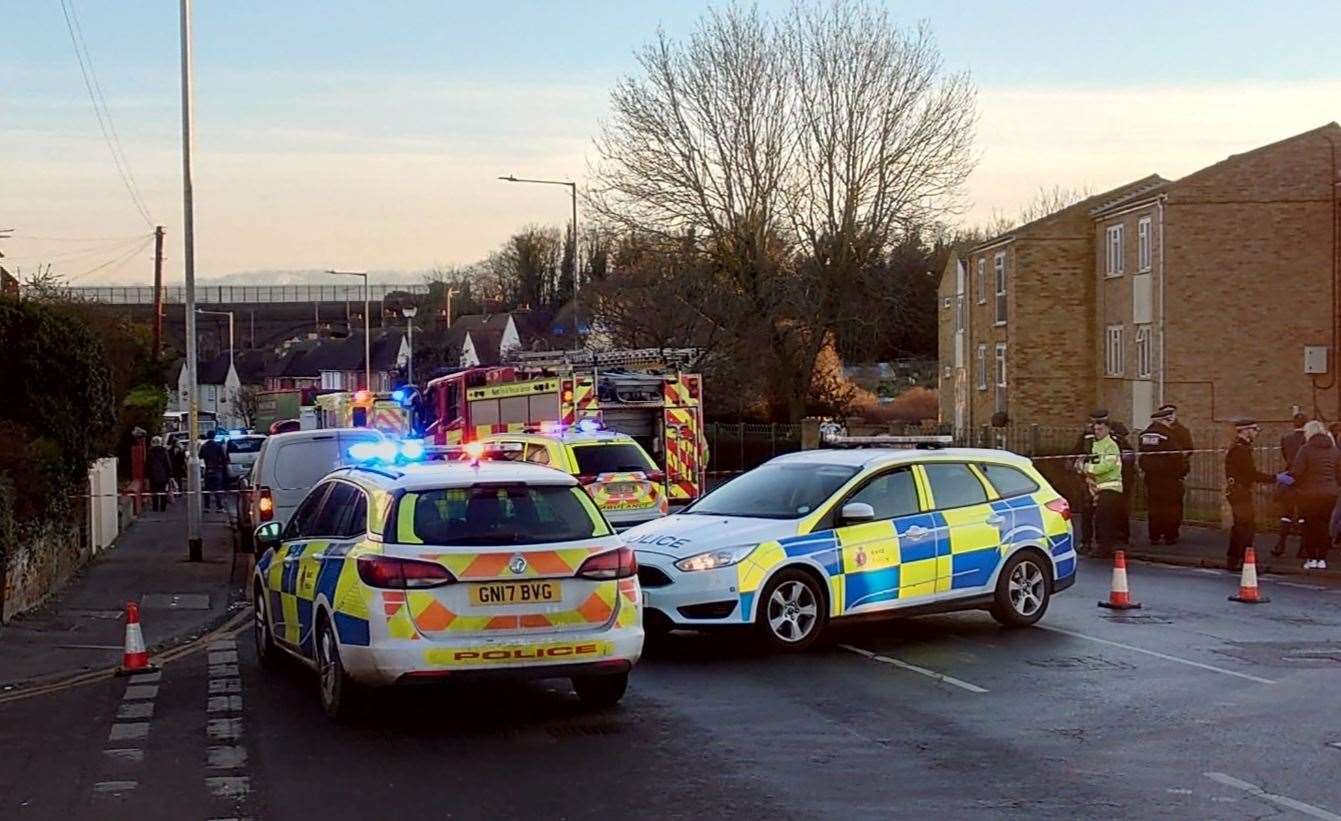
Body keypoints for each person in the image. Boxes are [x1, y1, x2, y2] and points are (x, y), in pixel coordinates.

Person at [1224, 419, 1279, 572]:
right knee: (1246, 527)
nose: (1256, 433)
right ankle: (1245, 561)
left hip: (1237, 490)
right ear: (1246, 430)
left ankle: (1234, 560)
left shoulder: (1240, 447)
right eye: (1254, 430)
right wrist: (1275, 478)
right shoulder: (1241, 450)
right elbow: (1251, 474)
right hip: (1240, 492)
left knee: (1240, 526)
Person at [1289, 419, 1340, 570]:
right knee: (1324, 525)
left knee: (1309, 526)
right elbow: (1339, 472)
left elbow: (1297, 473)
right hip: (1330, 494)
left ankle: (1311, 558)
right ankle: (1322, 559)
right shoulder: (1334, 450)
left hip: (1309, 495)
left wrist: (1290, 482)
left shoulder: (1305, 450)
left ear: (1308, 432)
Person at [1139, 408, 1184, 545]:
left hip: (1151, 477)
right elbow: (1177, 456)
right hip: (1168, 478)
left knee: (1154, 507)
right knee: (1171, 507)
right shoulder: (1167, 435)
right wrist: (1181, 472)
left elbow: (1142, 456)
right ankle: (1170, 536)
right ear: (1164, 420)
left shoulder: (1143, 435)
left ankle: (1154, 535)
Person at [1082, 415, 1125, 560]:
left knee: (1104, 519)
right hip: (1096, 487)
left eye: (1100, 429)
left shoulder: (1111, 445)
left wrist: (1088, 468)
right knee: (1097, 519)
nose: (1097, 432)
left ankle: (1105, 548)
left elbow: (1106, 466)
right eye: (1095, 429)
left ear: (1107, 429)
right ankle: (1100, 546)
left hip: (1111, 488)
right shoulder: (1095, 445)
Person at [1272, 413, 1309, 557]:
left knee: (1287, 513)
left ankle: (1280, 545)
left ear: (1294, 424)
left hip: (1289, 478)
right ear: (1306, 424)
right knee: (1303, 515)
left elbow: (1285, 456)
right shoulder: (1308, 440)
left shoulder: (1286, 439)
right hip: (1304, 480)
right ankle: (1303, 548)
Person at [1156, 403, 1192, 542]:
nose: (1169, 416)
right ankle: (1158, 532)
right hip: (1159, 474)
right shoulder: (1157, 431)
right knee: (1159, 505)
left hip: (1175, 473)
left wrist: (1180, 460)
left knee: (1174, 505)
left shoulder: (1181, 431)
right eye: (1165, 414)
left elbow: (1189, 449)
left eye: (1171, 413)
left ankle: (1172, 533)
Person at [1069, 411, 1104, 553]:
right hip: (1092, 479)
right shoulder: (1089, 437)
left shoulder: (1088, 436)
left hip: (1094, 478)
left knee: (1090, 511)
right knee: (1091, 511)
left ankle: (1090, 542)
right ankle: (1093, 542)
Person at [1110, 421, 1136, 545]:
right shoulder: (1124, 445)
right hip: (1124, 480)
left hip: (1119, 481)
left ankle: (1119, 534)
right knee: (1122, 509)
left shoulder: (1118, 444)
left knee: (1118, 509)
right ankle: (1122, 535)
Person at [199, 435, 230, 512]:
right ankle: (219, 507)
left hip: (208, 469)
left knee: (207, 489)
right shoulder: (218, 446)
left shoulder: (204, 446)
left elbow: (200, 456)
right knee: (218, 488)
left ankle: (207, 507)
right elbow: (224, 457)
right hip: (217, 469)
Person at [145, 436, 173, 513]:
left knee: (154, 491)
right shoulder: (164, 451)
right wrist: (169, 474)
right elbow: (167, 463)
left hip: (153, 475)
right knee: (163, 491)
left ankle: (155, 507)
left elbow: (147, 464)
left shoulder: (150, 452)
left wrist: (147, 475)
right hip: (163, 475)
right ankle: (163, 507)